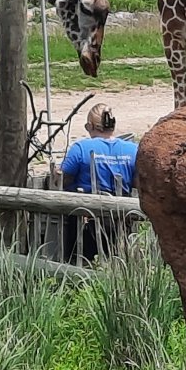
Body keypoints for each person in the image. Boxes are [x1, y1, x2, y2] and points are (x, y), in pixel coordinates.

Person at [59, 103, 138, 262]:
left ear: (91, 126)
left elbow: (63, 179)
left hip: (87, 223)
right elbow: (138, 182)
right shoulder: (133, 149)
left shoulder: (81, 148)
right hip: (122, 221)